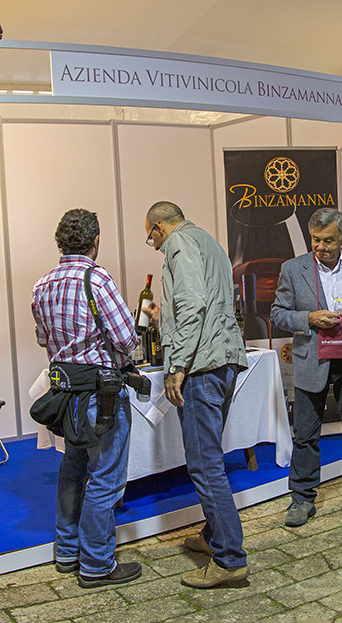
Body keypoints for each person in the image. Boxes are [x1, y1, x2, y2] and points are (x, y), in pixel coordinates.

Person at [145, 201, 251, 587]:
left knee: (205, 466)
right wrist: (164, 318)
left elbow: (192, 304)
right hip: (223, 360)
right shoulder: (207, 240)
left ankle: (230, 559)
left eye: (151, 237)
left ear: (159, 227)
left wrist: (177, 366)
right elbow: (203, 301)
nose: (154, 245)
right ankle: (213, 537)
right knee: (210, 458)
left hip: (201, 367)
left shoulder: (178, 243)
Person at [34, 209, 141, 588]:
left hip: (65, 394)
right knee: (104, 478)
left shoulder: (42, 285)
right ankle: (96, 564)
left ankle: (67, 551)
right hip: (101, 393)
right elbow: (126, 339)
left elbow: (44, 339)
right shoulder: (97, 279)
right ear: (95, 241)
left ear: (60, 242)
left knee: (73, 469)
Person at [271, 208, 342, 526]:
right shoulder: (293, 269)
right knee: (305, 434)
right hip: (311, 359)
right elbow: (278, 313)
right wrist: (308, 318)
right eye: (315, 239)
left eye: (328, 240)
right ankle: (302, 498)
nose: (320, 247)